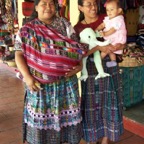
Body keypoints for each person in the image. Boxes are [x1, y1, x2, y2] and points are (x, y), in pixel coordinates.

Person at [14, 0, 87, 144]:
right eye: (44, 3)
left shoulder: (65, 25)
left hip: (65, 85)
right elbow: (18, 54)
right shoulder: (27, 29)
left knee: (66, 119)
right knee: (41, 120)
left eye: (52, 4)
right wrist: (28, 78)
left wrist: (79, 65)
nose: (48, 7)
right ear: (36, 7)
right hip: (39, 86)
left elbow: (77, 49)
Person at [74, 0, 125, 144]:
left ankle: (105, 139)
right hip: (90, 69)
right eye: (88, 4)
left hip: (110, 66)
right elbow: (79, 54)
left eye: (95, 4)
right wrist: (99, 48)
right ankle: (91, 138)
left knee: (111, 100)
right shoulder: (77, 28)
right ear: (80, 7)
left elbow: (121, 35)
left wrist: (121, 45)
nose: (93, 7)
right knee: (92, 104)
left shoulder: (108, 17)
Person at [96, 0, 127, 67]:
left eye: (111, 10)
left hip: (117, 38)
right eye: (107, 10)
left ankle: (98, 59)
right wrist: (96, 29)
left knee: (107, 49)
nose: (109, 12)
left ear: (119, 10)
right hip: (112, 38)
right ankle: (113, 61)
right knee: (111, 50)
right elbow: (102, 25)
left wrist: (105, 33)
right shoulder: (108, 18)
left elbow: (113, 29)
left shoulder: (118, 19)